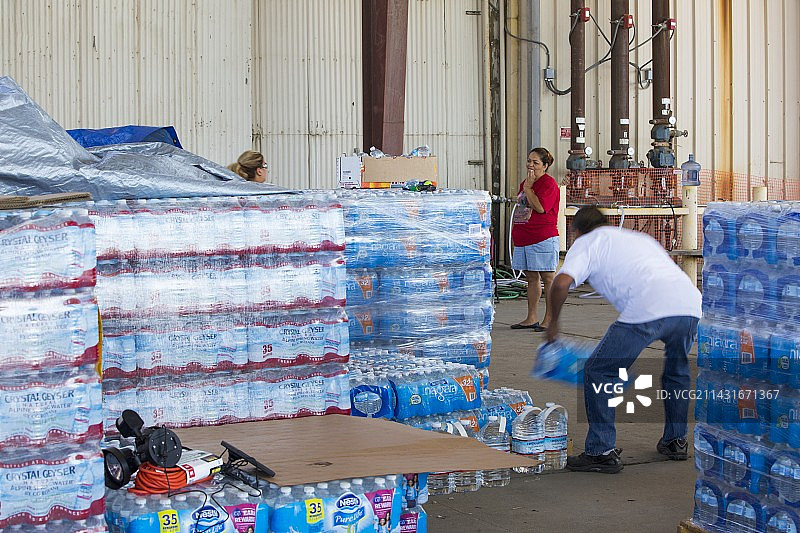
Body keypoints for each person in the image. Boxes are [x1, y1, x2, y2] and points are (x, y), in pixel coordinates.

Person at [546, 206, 702, 473]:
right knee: (677, 370)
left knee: (599, 370)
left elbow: (560, 284)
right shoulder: (638, 238)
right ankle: (675, 441)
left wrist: (553, 324)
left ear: (576, 230)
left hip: (648, 308)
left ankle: (601, 450)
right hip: (689, 305)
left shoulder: (586, 242)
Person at [510, 147, 560, 332]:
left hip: (542, 237)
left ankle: (550, 318)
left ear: (545, 166)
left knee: (547, 277)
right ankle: (531, 317)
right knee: (531, 277)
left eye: (536, 162)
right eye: (529, 161)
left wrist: (529, 189)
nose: (531, 165)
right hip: (525, 237)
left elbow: (539, 207)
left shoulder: (548, 184)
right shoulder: (526, 182)